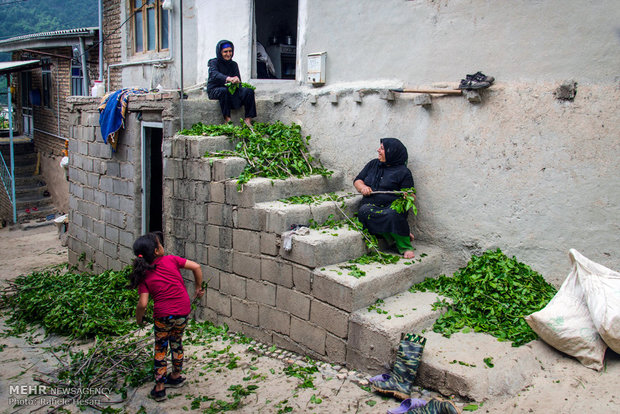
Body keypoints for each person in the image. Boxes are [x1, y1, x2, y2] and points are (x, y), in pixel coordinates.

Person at [129, 232, 205, 402]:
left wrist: (139, 319)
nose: (163, 245)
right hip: (183, 310)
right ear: (157, 251)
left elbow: (142, 304)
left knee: (160, 348)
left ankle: (160, 387)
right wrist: (198, 288)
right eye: (160, 244)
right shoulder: (171, 260)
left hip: (163, 315)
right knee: (177, 342)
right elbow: (197, 267)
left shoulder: (144, 275)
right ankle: (176, 376)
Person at [354, 138, 416, 259]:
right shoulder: (373, 164)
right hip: (371, 205)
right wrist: (363, 188)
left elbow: (411, 196)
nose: (378, 150)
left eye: (382, 148)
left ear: (392, 152)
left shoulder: (403, 172)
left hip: (391, 208)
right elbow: (358, 180)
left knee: (392, 215)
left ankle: (405, 247)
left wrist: (408, 196)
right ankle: (395, 235)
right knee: (363, 212)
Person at [207, 39, 257, 128]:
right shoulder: (213, 62)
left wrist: (237, 80)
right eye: (225, 52)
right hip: (215, 89)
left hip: (230, 90)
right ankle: (227, 120)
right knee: (224, 91)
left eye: (230, 51)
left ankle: (248, 120)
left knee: (249, 91)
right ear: (220, 52)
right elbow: (214, 75)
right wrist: (228, 78)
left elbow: (238, 82)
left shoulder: (233, 64)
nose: (228, 54)